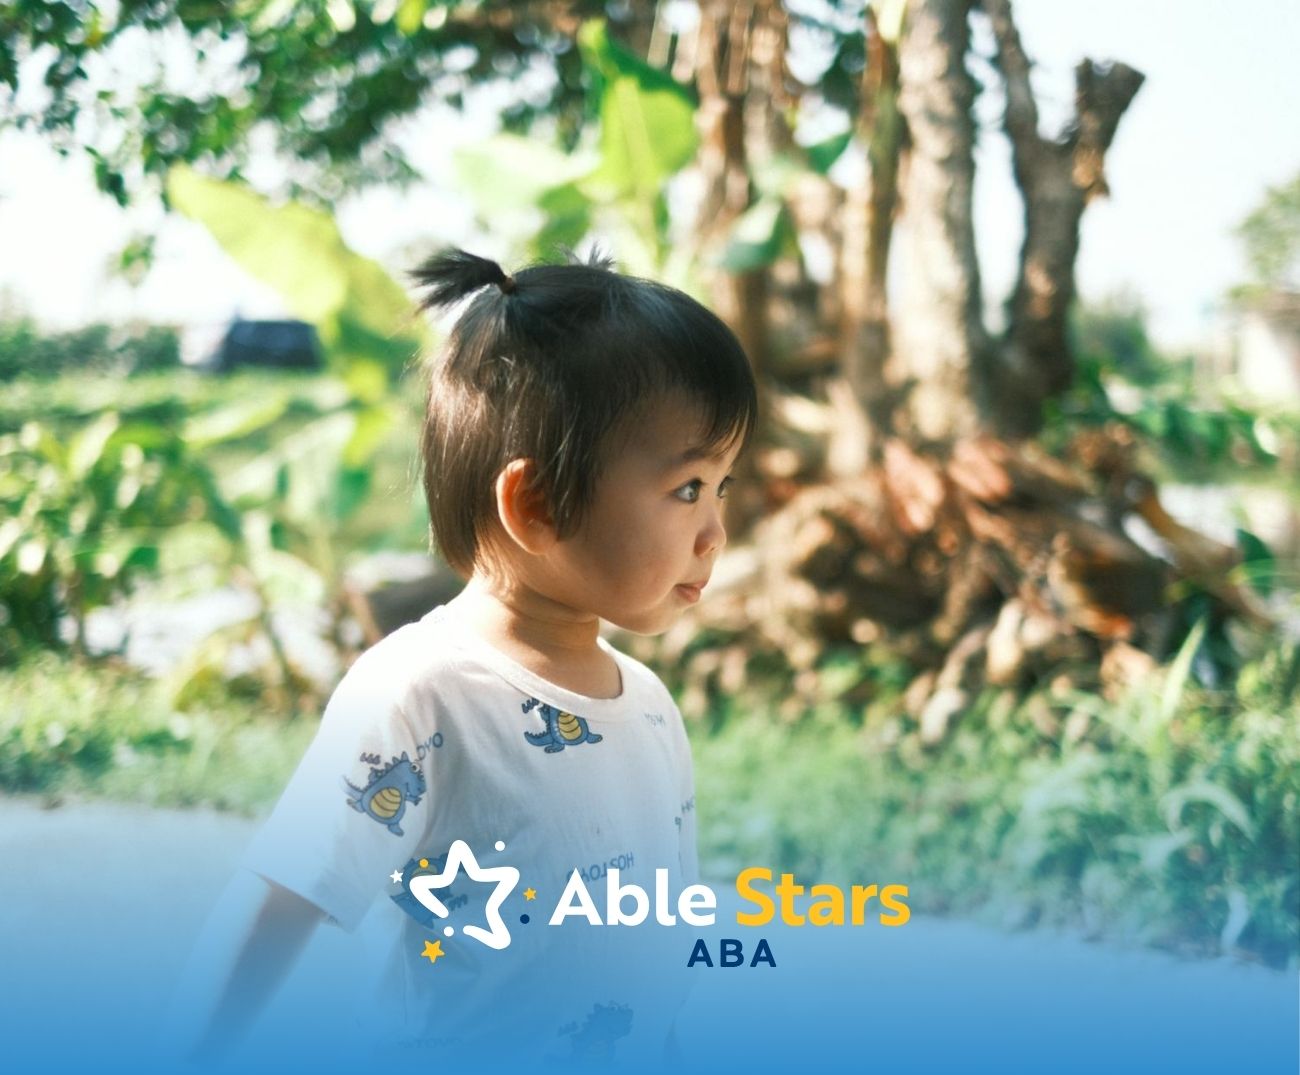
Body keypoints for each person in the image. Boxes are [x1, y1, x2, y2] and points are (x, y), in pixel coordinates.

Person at [163, 249, 757, 1070]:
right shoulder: (420, 693)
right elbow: (281, 896)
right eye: (689, 487)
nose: (715, 533)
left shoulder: (649, 705)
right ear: (537, 504)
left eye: (724, 487)